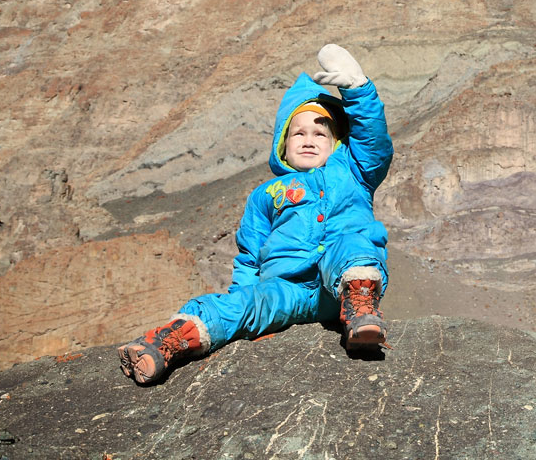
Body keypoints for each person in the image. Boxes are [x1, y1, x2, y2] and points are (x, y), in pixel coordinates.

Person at [117, 44, 393, 385]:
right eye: (298, 133)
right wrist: (246, 305)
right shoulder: (265, 195)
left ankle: (361, 308)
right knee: (243, 304)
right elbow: (250, 255)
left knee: (353, 242)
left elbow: (374, 141)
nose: (308, 140)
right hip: (283, 289)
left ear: (337, 142)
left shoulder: (355, 172)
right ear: (282, 142)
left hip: (334, 291)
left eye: (320, 133)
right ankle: (172, 339)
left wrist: (358, 89)